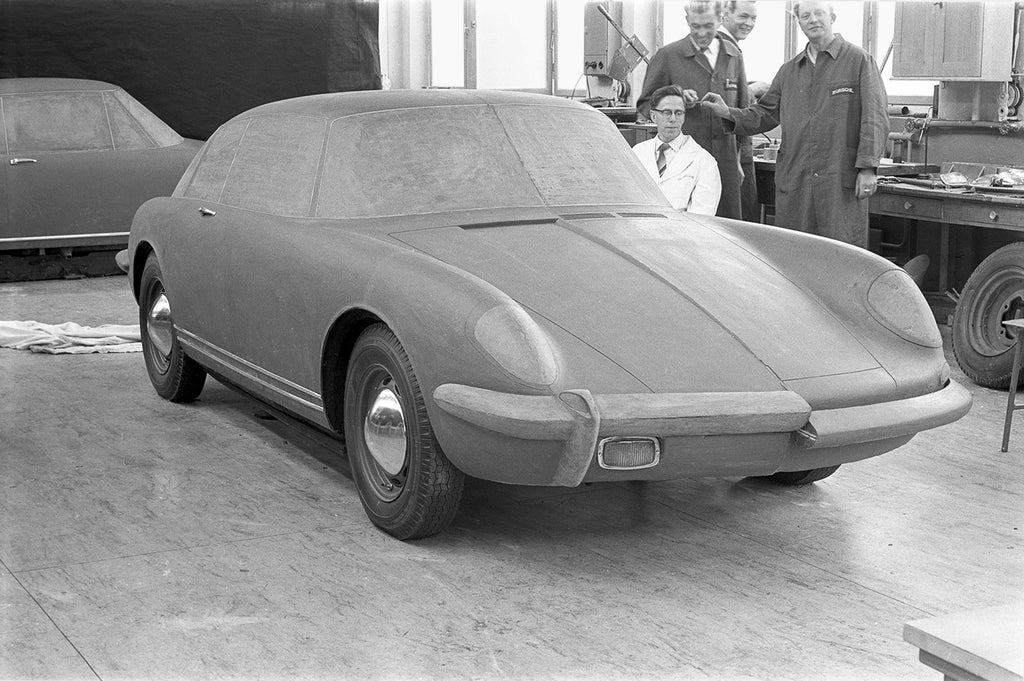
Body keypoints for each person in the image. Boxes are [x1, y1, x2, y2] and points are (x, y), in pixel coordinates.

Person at [700, 0, 889, 248]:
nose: (813, 20)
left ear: (832, 17)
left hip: (839, 177)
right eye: (805, 15)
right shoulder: (789, 71)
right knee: (795, 251)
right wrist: (728, 112)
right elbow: (764, 113)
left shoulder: (859, 61)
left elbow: (875, 117)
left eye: (819, 13)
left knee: (842, 251)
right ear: (799, 22)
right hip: (797, 178)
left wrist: (867, 168)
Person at [636, 1, 748, 220]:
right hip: (685, 164)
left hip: (726, 163)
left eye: (708, 25)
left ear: (720, 20)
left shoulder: (734, 56)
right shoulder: (668, 56)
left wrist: (740, 161)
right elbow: (644, 104)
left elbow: (743, 114)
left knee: (728, 230)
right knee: (691, 227)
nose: (702, 32)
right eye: (695, 26)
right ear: (687, 21)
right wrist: (675, 96)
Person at [633, 85, 721, 215]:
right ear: (653, 116)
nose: (673, 119)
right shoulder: (637, 153)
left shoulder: (705, 162)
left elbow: (702, 219)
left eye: (678, 113)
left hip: (680, 233)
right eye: (666, 112)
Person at [718, 1, 760, 223]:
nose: (749, 23)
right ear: (725, 13)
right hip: (730, 154)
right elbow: (723, 112)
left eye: (754, 18)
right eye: (743, 16)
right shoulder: (723, 49)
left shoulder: (733, 50)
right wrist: (735, 161)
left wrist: (751, 89)